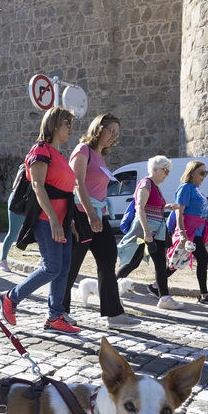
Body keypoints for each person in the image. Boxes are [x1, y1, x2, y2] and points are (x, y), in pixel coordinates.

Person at [0, 107, 81, 335]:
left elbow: (64, 191)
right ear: (54, 125)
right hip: (46, 219)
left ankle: (55, 317)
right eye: (67, 123)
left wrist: (68, 222)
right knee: (52, 267)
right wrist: (53, 219)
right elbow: (37, 185)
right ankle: (10, 298)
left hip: (63, 221)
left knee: (62, 269)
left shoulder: (60, 155)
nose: (71, 129)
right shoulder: (41, 150)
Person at [61, 113, 139, 328]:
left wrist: (98, 214)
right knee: (72, 264)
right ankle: (59, 311)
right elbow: (77, 184)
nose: (114, 136)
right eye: (110, 130)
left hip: (100, 215)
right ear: (98, 128)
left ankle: (114, 314)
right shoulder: (83, 150)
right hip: (82, 215)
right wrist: (91, 214)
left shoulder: (100, 156)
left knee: (107, 260)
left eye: (117, 133)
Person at [115, 156, 179, 309]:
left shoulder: (154, 186)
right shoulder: (146, 183)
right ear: (155, 169)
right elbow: (139, 208)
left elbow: (151, 207)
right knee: (133, 262)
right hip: (145, 232)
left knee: (158, 263)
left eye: (168, 171)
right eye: (165, 170)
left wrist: (165, 207)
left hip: (155, 231)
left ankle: (164, 298)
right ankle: (108, 288)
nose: (167, 174)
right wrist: (147, 232)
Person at [171, 160, 208, 307]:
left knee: (179, 260)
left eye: (206, 172)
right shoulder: (185, 188)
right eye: (201, 172)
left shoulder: (196, 189)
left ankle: (155, 286)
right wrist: (183, 234)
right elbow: (179, 212)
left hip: (198, 228)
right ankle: (204, 295)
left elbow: (203, 214)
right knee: (201, 258)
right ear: (191, 173)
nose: (204, 175)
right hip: (189, 229)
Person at [0, 162, 26, 272]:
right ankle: (2, 260)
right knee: (13, 233)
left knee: (38, 229)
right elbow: (14, 185)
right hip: (17, 203)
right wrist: (23, 173)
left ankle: (44, 258)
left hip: (29, 203)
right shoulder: (24, 168)